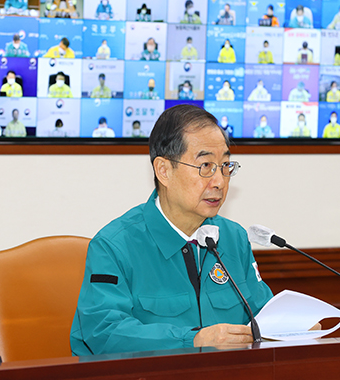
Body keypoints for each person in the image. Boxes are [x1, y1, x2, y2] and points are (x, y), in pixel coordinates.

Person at [70, 104, 273, 356]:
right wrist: (192, 340)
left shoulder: (233, 238)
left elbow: (264, 313)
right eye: (206, 166)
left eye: (225, 166)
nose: (219, 181)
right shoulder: (114, 246)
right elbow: (103, 332)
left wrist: (292, 327)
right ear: (164, 171)